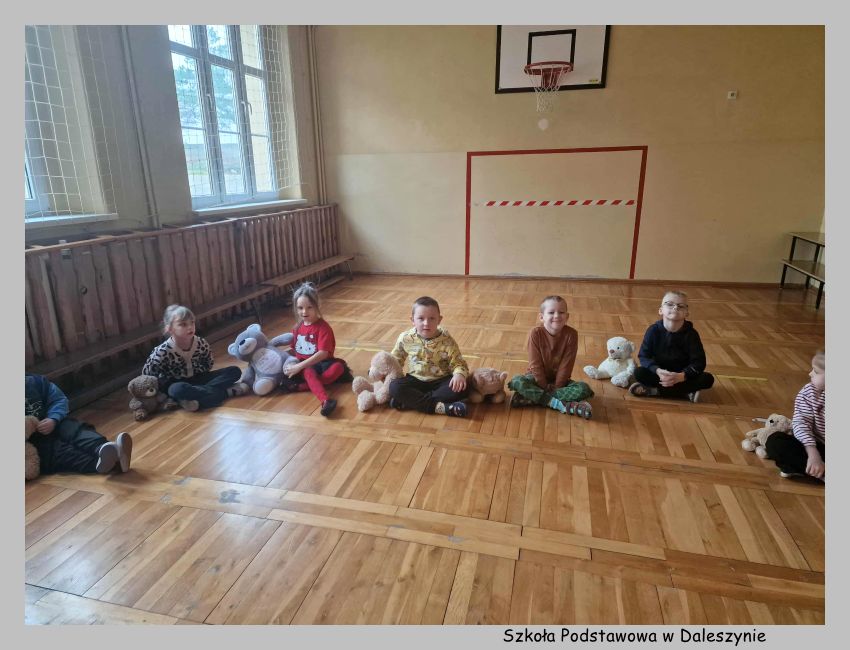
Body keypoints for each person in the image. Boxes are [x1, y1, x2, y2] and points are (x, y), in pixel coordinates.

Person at [143, 304, 245, 412]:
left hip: (200, 379)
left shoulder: (201, 343)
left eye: (192, 322)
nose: (190, 327)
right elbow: (147, 375)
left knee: (234, 371)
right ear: (170, 329)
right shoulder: (162, 351)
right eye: (183, 324)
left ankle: (191, 398)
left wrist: (200, 375)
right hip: (178, 383)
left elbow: (208, 364)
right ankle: (225, 393)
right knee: (176, 390)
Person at [25, 373, 132, 475]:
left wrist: (53, 418)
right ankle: (108, 463)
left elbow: (59, 400)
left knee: (75, 429)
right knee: (62, 454)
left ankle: (104, 448)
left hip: (54, 421)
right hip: (34, 442)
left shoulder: (36, 382)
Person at [507, 295, 594, 418]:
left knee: (583, 388)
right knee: (517, 381)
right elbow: (535, 364)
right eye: (551, 312)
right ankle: (559, 404)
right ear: (541, 317)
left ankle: (533, 398)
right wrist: (543, 385)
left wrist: (557, 386)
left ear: (567, 316)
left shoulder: (571, 334)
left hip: (559, 382)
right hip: (536, 379)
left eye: (561, 312)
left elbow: (566, 365)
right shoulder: (535, 334)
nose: (557, 316)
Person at [388, 296, 470, 417]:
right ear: (412, 320)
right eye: (421, 318)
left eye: (432, 318)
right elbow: (395, 360)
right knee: (394, 387)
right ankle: (443, 408)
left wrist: (459, 374)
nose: (426, 323)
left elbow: (458, 362)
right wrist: (383, 371)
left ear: (439, 320)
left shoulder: (447, 340)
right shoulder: (405, 338)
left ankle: (410, 403)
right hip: (415, 380)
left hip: (441, 381)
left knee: (463, 387)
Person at [628, 290, 714, 402]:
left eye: (681, 306)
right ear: (660, 310)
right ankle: (684, 392)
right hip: (660, 374)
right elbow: (644, 356)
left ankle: (654, 391)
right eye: (669, 304)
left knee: (707, 379)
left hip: (682, 376)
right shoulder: (653, 331)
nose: (675, 308)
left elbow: (699, 363)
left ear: (687, 313)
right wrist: (657, 370)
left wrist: (682, 376)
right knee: (639, 373)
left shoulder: (691, 334)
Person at [282, 282, 352, 417]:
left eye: (309, 307)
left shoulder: (323, 327)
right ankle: (325, 401)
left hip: (322, 364)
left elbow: (323, 353)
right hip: (306, 367)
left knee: (338, 368)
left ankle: (302, 386)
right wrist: (277, 355)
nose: (304, 312)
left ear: (317, 306)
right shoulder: (297, 327)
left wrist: (299, 366)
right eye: (300, 308)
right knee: (309, 372)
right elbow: (293, 349)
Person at [766, 352, 825, 481]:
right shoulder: (810, 392)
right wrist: (813, 453)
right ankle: (818, 471)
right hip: (815, 447)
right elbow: (801, 422)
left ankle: (818, 472)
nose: (810, 373)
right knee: (775, 442)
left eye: (816, 371)